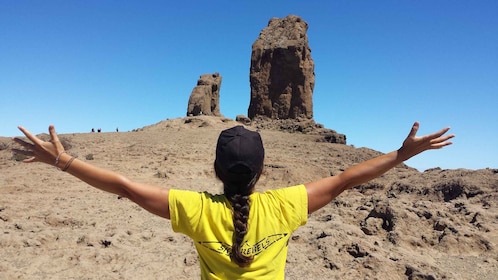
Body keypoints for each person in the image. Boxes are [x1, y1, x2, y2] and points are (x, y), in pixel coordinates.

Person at [12, 122, 454, 279]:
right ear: (263, 172)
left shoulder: (197, 210)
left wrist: (64, 162)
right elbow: (342, 180)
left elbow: (125, 187)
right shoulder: (284, 206)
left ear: (216, 172)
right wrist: (401, 155)